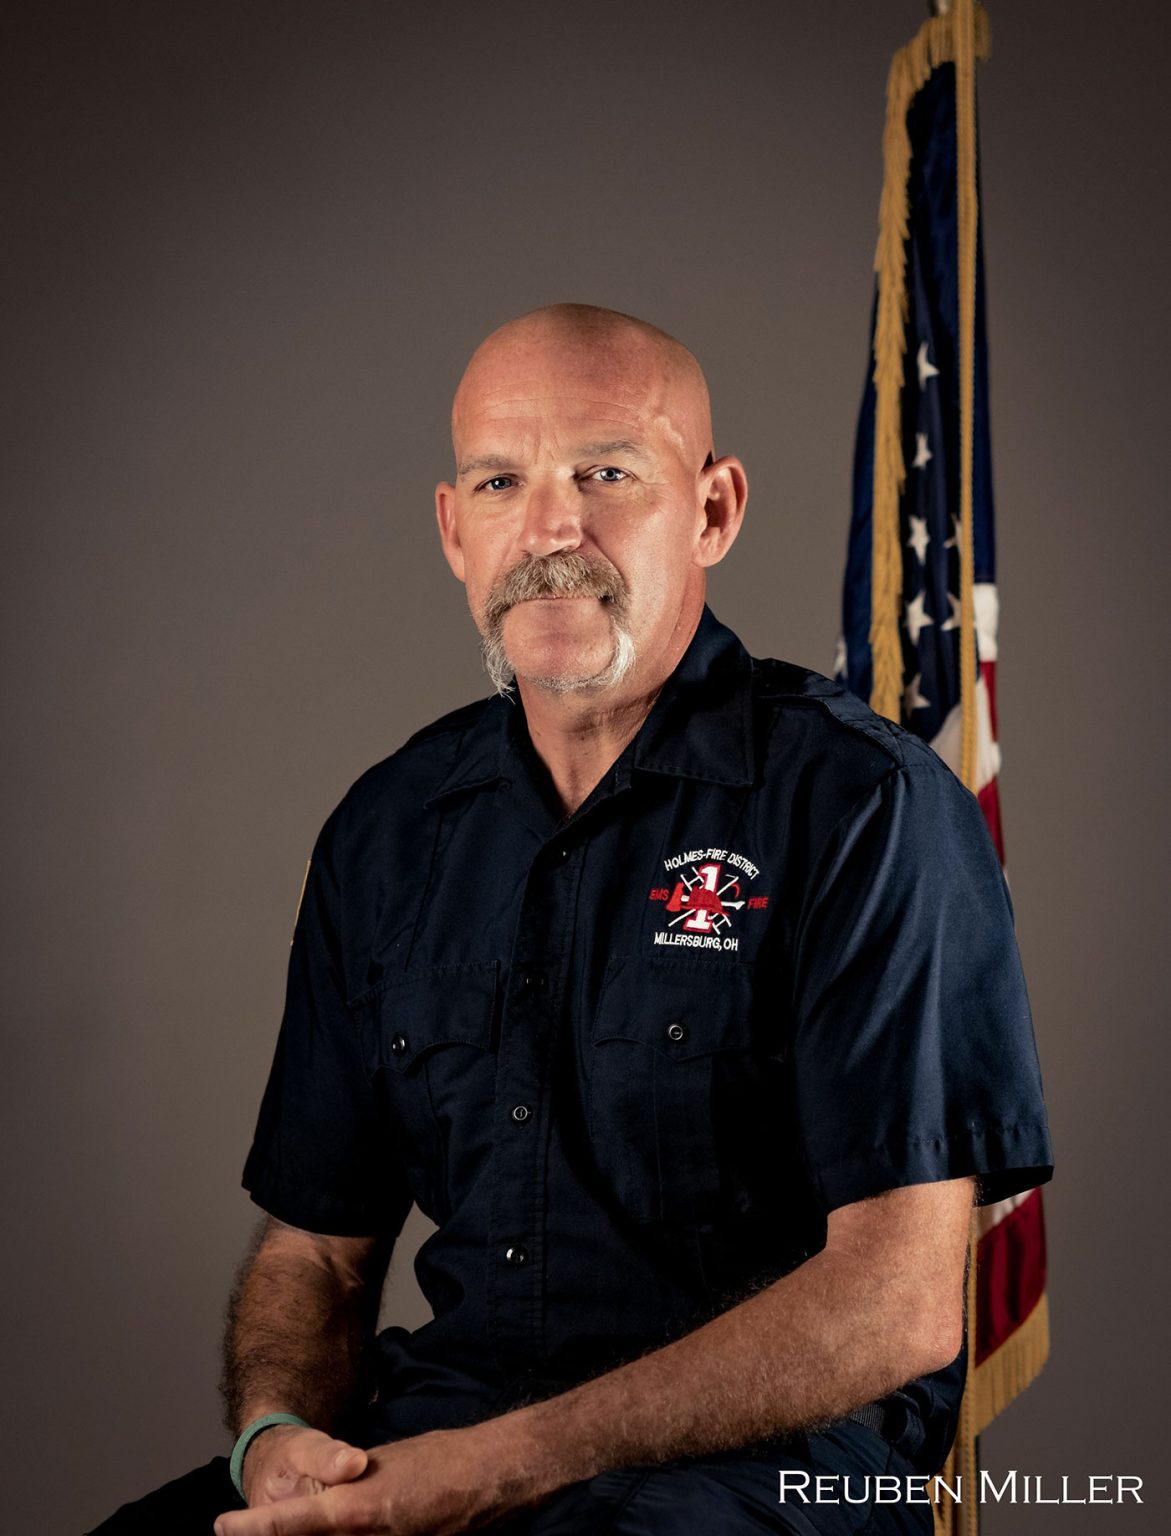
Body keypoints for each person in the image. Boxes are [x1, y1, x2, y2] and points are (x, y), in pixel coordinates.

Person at [90, 304, 1052, 1536]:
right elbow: (315, 1256)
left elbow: (898, 1303)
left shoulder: (865, 807)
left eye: (605, 471)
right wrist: (278, 1442)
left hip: (772, 1469)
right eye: (501, 480)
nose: (550, 529)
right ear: (452, 529)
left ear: (712, 509)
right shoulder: (388, 831)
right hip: (441, 1433)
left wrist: (499, 1467)